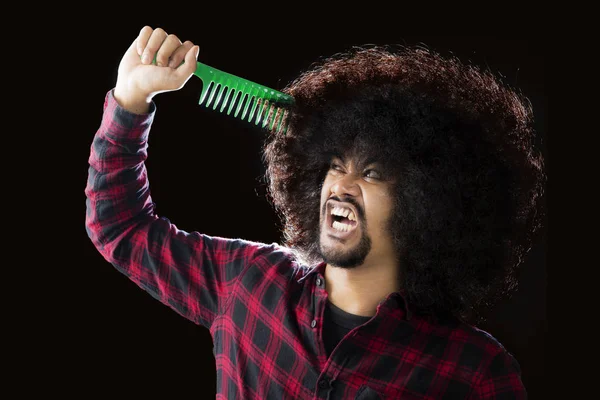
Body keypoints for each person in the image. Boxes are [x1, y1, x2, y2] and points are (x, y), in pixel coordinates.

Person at [85, 25, 545, 399]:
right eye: (334, 165)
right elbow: (120, 228)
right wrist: (130, 102)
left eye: (371, 173)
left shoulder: (474, 373)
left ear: (428, 204)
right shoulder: (249, 283)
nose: (341, 186)